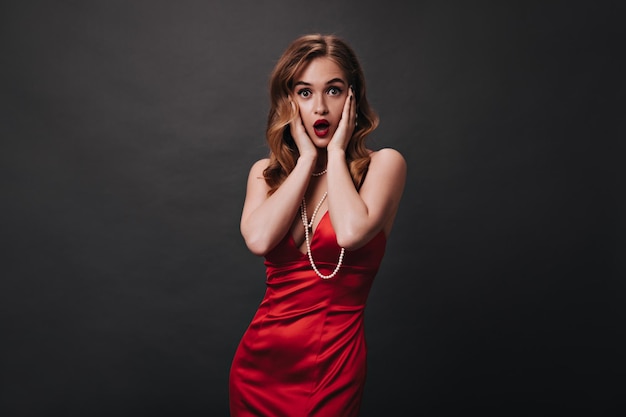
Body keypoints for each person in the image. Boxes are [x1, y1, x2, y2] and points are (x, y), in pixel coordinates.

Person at [229, 33, 406, 417]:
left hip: (332, 366)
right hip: (258, 369)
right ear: (289, 101)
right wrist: (308, 159)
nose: (321, 107)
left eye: (334, 90)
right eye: (305, 93)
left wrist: (338, 152)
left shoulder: (384, 165)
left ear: (353, 97)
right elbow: (258, 240)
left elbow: (350, 232)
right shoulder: (266, 173)